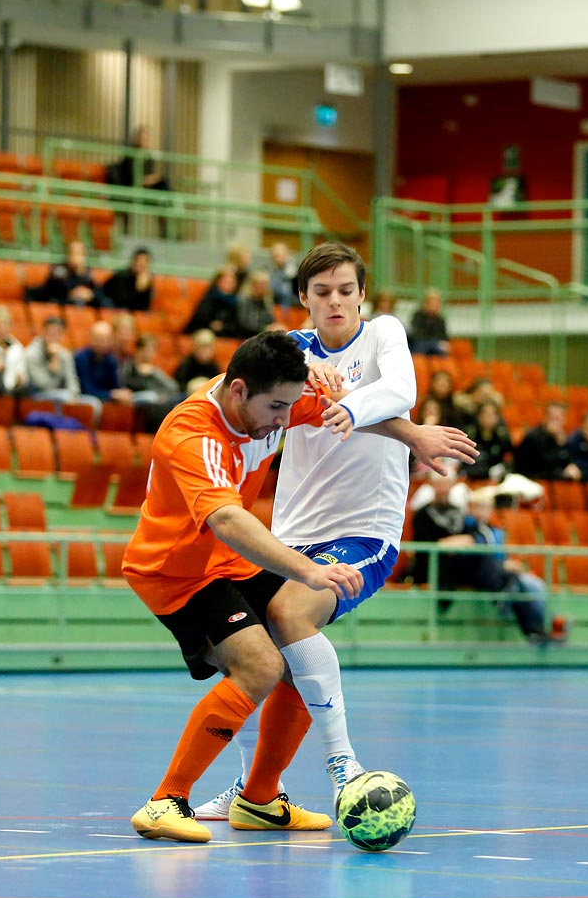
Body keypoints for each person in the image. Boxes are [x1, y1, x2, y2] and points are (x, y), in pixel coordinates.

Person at [195, 241, 479, 819]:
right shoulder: (289, 351)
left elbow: (401, 390)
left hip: (366, 531)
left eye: (346, 290)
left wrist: (355, 407)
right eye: (322, 292)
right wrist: (323, 386)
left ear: (361, 295)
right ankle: (254, 791)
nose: (335, 302)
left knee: (292, 616)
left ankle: (343, 765)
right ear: (303, 298)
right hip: (292, 533)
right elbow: (233, 392)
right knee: (260, 655)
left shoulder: (383, 335)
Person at [122, 331, 360, 844]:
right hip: (177, 572)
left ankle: (258, 799)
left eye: (289, 405)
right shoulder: (193, 434)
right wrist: (306, 568)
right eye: (276, 406)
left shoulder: (270, 403)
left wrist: (416, 436)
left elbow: (339, 408)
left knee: (300, 651)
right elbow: (227, 520)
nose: (284, 418)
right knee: (260, 665)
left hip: (228, 563)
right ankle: (165, 801)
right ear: (236, 391)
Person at [408, 464, 550, 642]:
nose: (444, 488)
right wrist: (454, 544)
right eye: (440, 484)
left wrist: (462, 543)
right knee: (488, 563)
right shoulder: (423, 514)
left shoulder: (459, 512)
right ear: (432, 485)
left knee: (508, 573)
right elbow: (428, 546)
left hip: (461, 562)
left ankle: (530, 625)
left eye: (448, 484)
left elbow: (471, 538)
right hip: (436, 565)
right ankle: (504, 594)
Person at [25, 315, 101, 417]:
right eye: (50, 333)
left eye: (57, 334)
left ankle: (88, 432)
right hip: (35, 398)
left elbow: (72, 379)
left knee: (94, 403)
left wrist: (74, 394)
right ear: (43, 333)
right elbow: (42, 386)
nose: (53, 337)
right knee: (65, 396)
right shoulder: (32, 353)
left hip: (62, 395)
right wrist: (53, 364)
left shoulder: (65, 354)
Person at [122, 333, 183, 431]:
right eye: (147, 350)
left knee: (178, 399)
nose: (150, 354)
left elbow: (173, 387)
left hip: (156, 399)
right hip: (134, 398)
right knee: (151, 396)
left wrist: (153, 372)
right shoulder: (129, 366)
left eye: (152, 351)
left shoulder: (153, 370)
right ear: (138, 350)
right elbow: (125, 384)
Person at [514, 402, 583, 481]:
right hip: (531, 480)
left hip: (553, 482)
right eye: (551, 418)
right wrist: (562, 473)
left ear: (564, 420)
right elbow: (541, 466)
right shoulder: (533, 437)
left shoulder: (563, 440)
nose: (554, 423)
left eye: (557, 419)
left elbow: (567, 462)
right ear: (545, 418)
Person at [74, 320, 131, 406]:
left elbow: (116, 386)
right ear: (91, 338)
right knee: (94, 403)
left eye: (106, 339)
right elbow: (86, 390)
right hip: (84, 397)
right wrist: (111, 394)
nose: (103, 342)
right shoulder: (81, 358)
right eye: (99, 339)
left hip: (104, 397)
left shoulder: (111, 360)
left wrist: (122, 393)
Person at [36, 240, 102, 307]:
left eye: (79, 254)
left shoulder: (87, 272)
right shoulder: (58, 269)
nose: (76, 258)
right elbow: (58, 288)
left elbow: (96, 290)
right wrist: (76, 292)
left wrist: (90, 294)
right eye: (73, 254)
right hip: (59, 303)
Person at [108, 124, 170, 192]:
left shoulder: (149, 157)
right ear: (137, 139)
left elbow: (151, 174)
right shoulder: (130, 155)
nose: (145, 141)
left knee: (164, 182)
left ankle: (174, 200)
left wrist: (152, 179)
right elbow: (130, 177)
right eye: (143, 138)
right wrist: (146, 180)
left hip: (146, 186)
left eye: (147, 139)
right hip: (132, 186)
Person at [463, 400, 514, 481]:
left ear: (497, 418)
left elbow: (510, 458)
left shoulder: (502, 436)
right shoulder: (469, 434)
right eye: (485, 415)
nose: (488, 418)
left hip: (495, 478)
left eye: (492, 415)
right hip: (472, 476)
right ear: (479, 416)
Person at [184, 267, 241, 337]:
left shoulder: (234, 301)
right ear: (217, 282)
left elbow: (235, 324)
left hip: (223, 334)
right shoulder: (209, 296)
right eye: (225, 282)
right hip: (201, 331)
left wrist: (223, 327)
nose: (229, 286)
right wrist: (211, 324)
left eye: (232, 283)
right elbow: (200, 318)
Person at [99, 247, 154, 312]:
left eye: (146, 261)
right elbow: (121, 301)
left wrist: (145, 288)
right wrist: (138, 289)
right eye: (139, 261)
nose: (142, 264)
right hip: (112, 306)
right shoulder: (122, 276)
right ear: (133, 261)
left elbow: (144, 306)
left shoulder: (147, 280)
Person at [407, 287, 451, 356]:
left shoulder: (440, 320)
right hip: (420, 347)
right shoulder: (418, 316)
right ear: (426, 303)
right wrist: (434, 342)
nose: (434, 305)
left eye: (437, 303)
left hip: (435, 349)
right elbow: (417, 335)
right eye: (432, 302)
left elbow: (444, 337)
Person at [234, 270, 277, 337]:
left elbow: (270, 320)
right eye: (260, 284)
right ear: (252, 285)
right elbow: (244, 323)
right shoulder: (243, 300)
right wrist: (265, 328)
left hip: (261, 337)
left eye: (265, 285)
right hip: (245, 337)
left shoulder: (266, 302)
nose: (263, 287)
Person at [262, 242, 299, 308]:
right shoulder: (266, 271)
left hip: (293, 307)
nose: (278, 258)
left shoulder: (294, 270)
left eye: (281, 255)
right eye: (275, 256)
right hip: (275, 306)